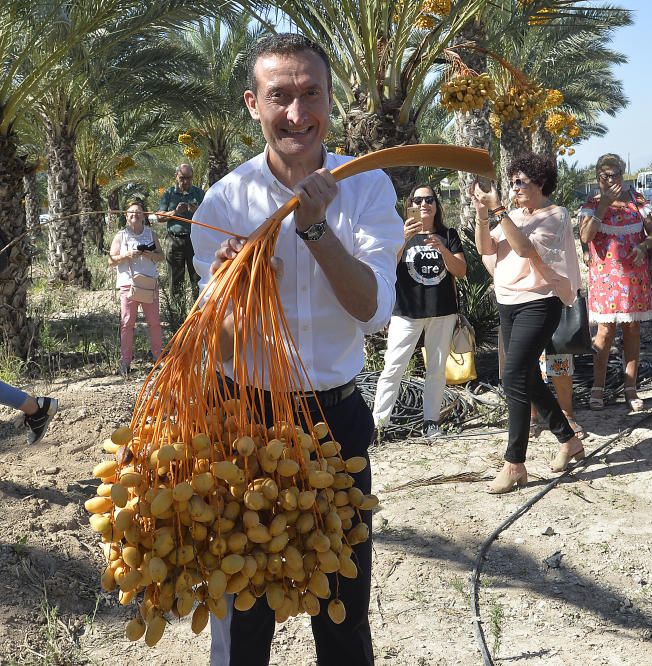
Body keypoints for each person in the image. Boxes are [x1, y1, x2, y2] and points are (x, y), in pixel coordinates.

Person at [191, 33, 403, 666]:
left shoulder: (364, 189)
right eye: (279, 96)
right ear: (254, 105)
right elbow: (217, 345)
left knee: (343, 611)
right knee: (242, 616)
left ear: (330, 103)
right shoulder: (225, 201)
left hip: (334, 424)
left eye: (311, 94)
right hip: (245, 421)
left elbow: (370, 310)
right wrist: (233, 294)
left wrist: (315, 232)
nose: (296, 112)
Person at [472, 153, 584, 494]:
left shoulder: (556, 215)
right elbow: (485, 248)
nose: (515, 187)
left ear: (540, 182)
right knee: (528, 377)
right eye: (513, 181)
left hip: (540, 302)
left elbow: (524, 250)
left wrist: (499, 212)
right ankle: (569, 440)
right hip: (508, 301)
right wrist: (481, 215)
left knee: (513, 376)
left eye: (521, 181)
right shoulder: (513, 214)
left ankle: (514, 463)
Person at [372, 184, 466, 438]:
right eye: (418, 200)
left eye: (429, 199)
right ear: (410, 205)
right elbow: (386, 266)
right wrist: (401, 240)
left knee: (436, 369)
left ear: (437, 205)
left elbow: (460, 270)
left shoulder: (449, 234)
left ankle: (431, 422)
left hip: (442, 310)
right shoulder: (397, 234)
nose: (424, 204)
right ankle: (379, 425)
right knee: (393, 367)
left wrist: (443, 249)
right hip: (406, 311)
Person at [579, 153, 652, 412]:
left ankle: (630, 388)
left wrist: (644, 246)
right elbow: (585, 236)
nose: (610, 180)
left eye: (615, 175)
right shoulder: (591, 205)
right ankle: (598, 387)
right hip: (605, 279)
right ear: (597, 176)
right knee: (604, 332)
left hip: (634, 276)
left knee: (633, 329)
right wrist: (604, 206)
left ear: (623, 174)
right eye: (604, 175)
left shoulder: (638, 201)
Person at [108, 197, 164, 377]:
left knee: (154, 323)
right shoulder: (120, 235)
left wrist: (149, 254)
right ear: (126, 216)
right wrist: (127, 255)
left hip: (149, 285)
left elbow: (161, 256)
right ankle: (125, 362)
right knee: (127, 323)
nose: (135, 215)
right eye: (132, 212)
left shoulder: (150, 234)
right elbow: (111, 260)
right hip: (128, 285)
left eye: (138, 212)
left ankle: (158, 358)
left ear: (143, 216)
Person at [156, 163, 205, 302]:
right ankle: (177, 315)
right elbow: (159, 217)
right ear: (176, 176)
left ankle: (199, 312)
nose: (186, 181)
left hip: (195, 241)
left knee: (197, 277)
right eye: (183, 178)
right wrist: (175, 212)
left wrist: (195, 210)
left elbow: (209, 215)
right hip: (175, 240)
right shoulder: (169, 193)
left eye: (189, 178)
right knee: (175, 279)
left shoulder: (199, 193)